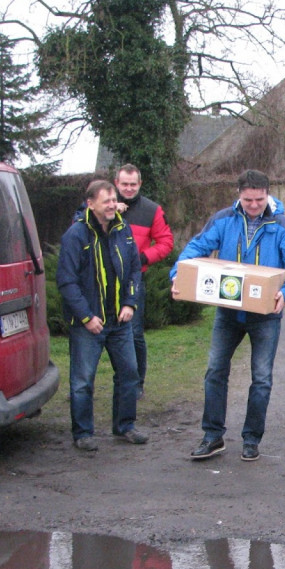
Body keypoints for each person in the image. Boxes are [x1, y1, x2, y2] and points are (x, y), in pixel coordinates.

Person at [171, 169, 285, 463]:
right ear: (239, 195)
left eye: (259, 199)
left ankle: (251, 439)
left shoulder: (282, 226)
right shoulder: (223, 219)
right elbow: (196, 248)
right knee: (215, 371)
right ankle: (212, 436)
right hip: (228, 312)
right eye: (248, 199)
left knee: (261, 378)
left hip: (265, 316)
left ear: (267, 194)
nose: (253, 205)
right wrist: (178, 275)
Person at [56, 180, 148, 451]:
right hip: (89, 324)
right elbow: (66, 282)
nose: (112, 205)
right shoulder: (76, 235)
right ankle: (83, 433)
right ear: (91, 203)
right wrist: (86, 316)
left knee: (129, 374)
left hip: (119, 321)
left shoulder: (123, 229)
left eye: (113, 200)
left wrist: (130, 303)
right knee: (83, 381)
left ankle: (125, 427)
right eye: (106, 201)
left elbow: (133, 269)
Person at [114, 164, 175, 398]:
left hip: (134, 279)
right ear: (116, 183)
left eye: (133, 184)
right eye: (124, 184)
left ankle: (137, 382)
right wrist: (110, 212)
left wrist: (142, 258)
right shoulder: (104, 206)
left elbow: (166, 242)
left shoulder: (152, 209)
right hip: (103, 280)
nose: (128, 189)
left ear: (139, 184)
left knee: (135, 332)